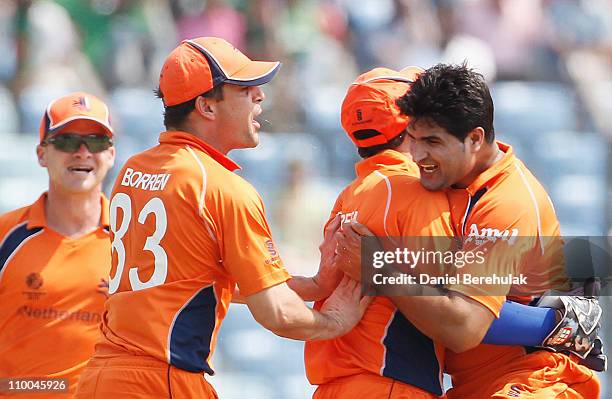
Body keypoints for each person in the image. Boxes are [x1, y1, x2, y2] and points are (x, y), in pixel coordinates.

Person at [74, 37, 369, 399]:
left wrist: (312, 287)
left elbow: (189, 281)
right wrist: (334, 322)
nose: (259, 96)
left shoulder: (132, 170)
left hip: (100, 377)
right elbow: (277, 313)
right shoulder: (223, 187)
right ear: (206, 107)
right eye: (244, 88)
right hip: (162, 381)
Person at [335, 63, 601, 398]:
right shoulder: (441, 182)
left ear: (475, 138)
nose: (417, 155)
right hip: (473, 387)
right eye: (413, 139)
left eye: (432, 141)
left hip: (534, 381)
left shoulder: (508, 201)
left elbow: (464, 327)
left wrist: (378, 268)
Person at [304, 66, 455, 399]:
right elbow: (460, 300)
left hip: (335, 386)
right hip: (390, 383)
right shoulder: (415, 189)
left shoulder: (349, 196)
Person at [0, 92, 116, 397]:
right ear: (41, 154)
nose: (82, 152)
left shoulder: (133, 241)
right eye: (66, 141)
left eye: (95, 141)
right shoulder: (6, 236)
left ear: (111, 154)